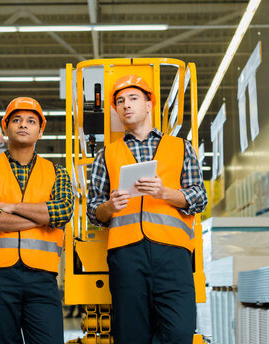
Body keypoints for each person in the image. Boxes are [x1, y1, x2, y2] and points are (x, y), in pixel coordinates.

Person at [88, 75, 208, 344]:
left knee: (179, 333)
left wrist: (164, 193)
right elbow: (93, 211)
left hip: (173, 255)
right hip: (126, 256)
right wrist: (110, 205)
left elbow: (200, 198)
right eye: (120, 101)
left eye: (133, 98)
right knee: (131, 336)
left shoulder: (181, 148)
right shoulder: (106, 155)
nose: (126, 105)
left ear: (149, 104)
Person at [0, 97, 74, 344]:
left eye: (30, 121)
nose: (23, 125)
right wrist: (43, 217)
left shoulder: (57, 172)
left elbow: (63, 212)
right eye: (16, 120)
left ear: (40, 130)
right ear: (6, 128)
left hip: (42, 278)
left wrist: (13, 207)